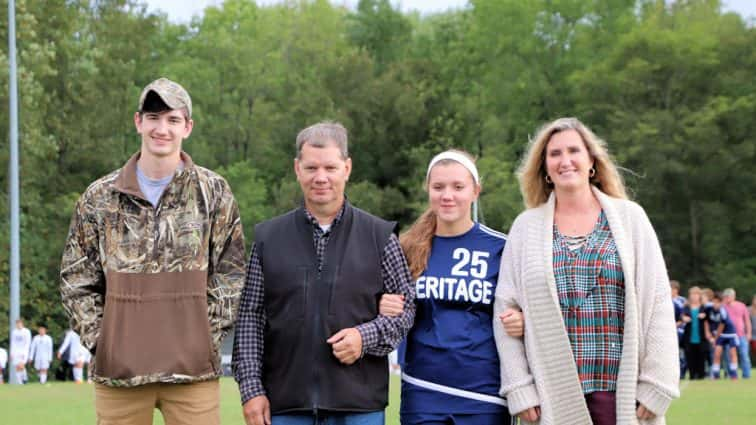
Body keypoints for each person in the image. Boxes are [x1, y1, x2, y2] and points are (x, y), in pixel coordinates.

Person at [60, 77, 246, 424]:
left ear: (187, 127)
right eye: (154, 117)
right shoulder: (100, 197)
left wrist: (204, 336)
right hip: (121, 376)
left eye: (173, 119)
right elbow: (76, 278)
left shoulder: (214, 192)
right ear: (138, 122)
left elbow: (231, 272)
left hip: (192, 374)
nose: (163, 128)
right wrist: (103, 342)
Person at [493, 117, 679, 424]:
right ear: (545, 167)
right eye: (554, 154)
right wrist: (519, 388)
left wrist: (658, 382)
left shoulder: (630, 218)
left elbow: (657, 303)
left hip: (622, 394)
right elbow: (505, 312)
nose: (565, 161)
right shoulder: (525, 228)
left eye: (573, 151)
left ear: (591, 160)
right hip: (553, 394)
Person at [232, 121, 415, 425]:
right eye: (311, 168)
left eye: (330, 168)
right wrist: (251, 389)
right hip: (286, 406)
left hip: (360, 407)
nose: (321, 178)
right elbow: (251, 316)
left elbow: (406, 308)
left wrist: (364, 336)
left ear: (347, 168)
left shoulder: (380, 236)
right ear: (297, 169)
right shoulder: (268, 238)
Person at [378, 150, 522, 425]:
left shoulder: (503, 247)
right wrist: (381, 304)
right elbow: (377, 303)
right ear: (428, 189)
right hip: (423, 390)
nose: (448, 195)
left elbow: (528, 307)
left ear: (475, 191)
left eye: (458, 187)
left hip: (485, 395)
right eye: (438, 187)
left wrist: (523, 320)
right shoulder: (406, 248)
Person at [706, 293, 739, 379]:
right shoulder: (708, 308)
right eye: (714, 302)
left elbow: (721, 326)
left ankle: (734, 374)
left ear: (721, 302)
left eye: (718, 302)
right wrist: (708, 333)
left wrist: (715, 338)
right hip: (720, 334)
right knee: (717, 353)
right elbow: (706, 320)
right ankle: (716, 374)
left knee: (732, 353)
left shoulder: (722, 310)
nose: (716, 304)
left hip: (729, 333)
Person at [722, 288, 752, 378]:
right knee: (728, 356)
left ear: (733, 296)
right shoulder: (722, 307)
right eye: (726, 297)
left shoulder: (741, 306)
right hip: (728, 335)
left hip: (741, 335)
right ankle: (730, 374)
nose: (727, 298)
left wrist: (749, 333)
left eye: (729, 296)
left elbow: (747, 321)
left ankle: (746, 375)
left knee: (744, 355)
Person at [682, 287, 709, 380]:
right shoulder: (686, 307)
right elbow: (681, 317)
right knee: (690, 357)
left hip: (702, 337)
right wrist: (683, 318)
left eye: (696, 294)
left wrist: (705, 316)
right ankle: (692, 375)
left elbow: (709, 320)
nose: (694, 296)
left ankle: (701, 375)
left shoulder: (704, 307)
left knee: (701, 357)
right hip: (689, 336)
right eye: (692, 294)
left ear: (699, 296)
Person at [670, 280, 686, 379]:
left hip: (680, 331)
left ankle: (682, 372)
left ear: (676, 290)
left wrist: (675, 325)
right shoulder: (665, 300)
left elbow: (684, 317)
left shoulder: (682, 301)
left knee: (681, 352)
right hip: (669, 331)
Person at [10, 319, 32, 384]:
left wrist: (25, 352)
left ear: (22, 324)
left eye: (19, 323)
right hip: (16, 351)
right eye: (17, 324)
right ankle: (20, 383)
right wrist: (12, 353)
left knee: (21, 365)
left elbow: (28, 342)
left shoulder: (26, 331)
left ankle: (25, 378)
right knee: (17, 367)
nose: (18, 325)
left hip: (24, 351)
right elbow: (13, 343)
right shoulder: (14, 332)